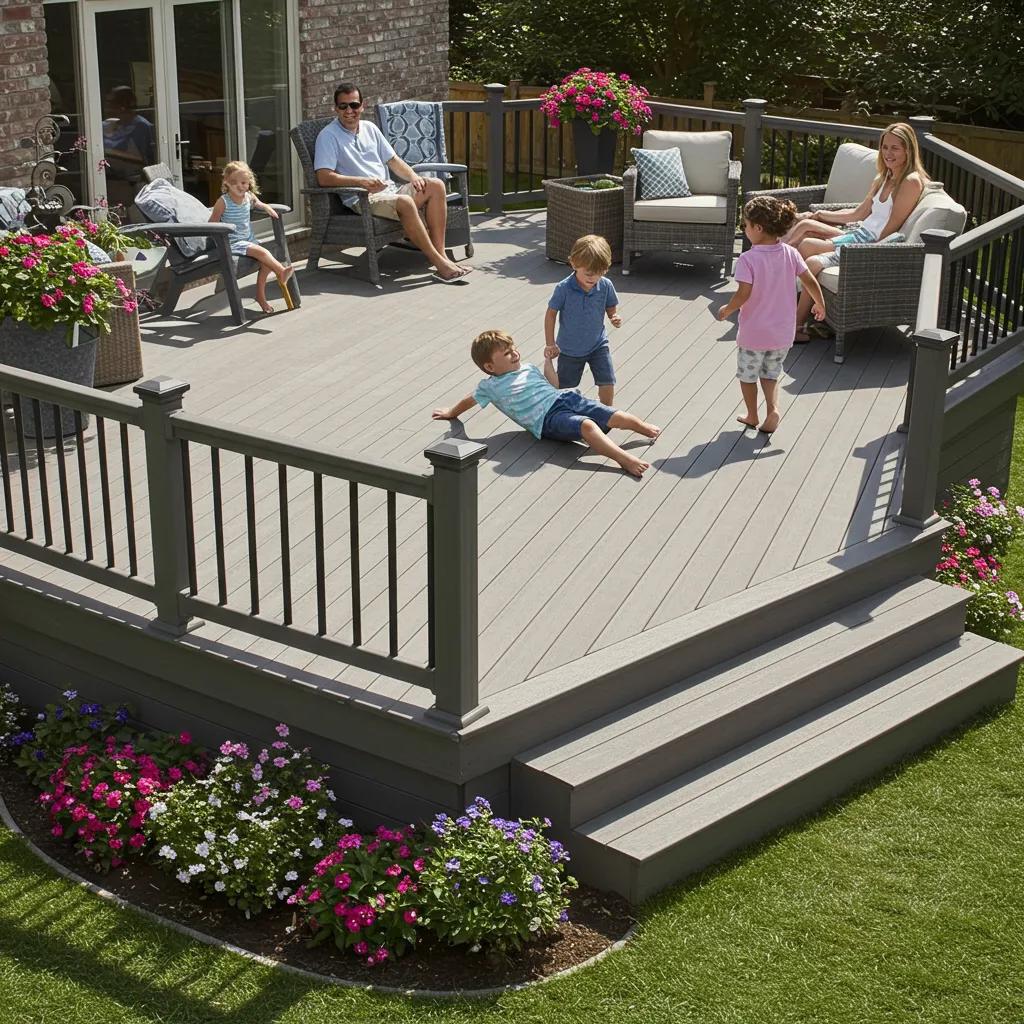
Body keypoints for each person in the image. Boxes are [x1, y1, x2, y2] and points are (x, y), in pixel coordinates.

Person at [432, 330, 661, 478]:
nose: (514, 354)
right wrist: (451, 412)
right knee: (587, 426)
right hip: (547, 420)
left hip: (565, 398)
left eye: (513, 349)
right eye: (507, 353)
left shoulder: (528, 368)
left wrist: (548, 362)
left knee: (610, 414)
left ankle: (642, 427)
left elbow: (554, 384)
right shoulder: (490, 386)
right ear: (490, 367)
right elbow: (469, 400)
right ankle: (624, 459)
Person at [782, 123, 928, 342]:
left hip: (867, 244)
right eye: (885, 147)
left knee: (810, 260)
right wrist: (820, 214)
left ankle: (796, 325)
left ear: (908, 150)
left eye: (895, 148)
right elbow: (859, 213)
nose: (888, 153)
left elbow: (893, 225)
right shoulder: (883, 178)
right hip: (858, 232)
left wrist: (864, 251)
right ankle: (785, 308)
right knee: (804, 239)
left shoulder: (910, 182)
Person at [313, 82, 470, 283]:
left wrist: (414, 177)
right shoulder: (328, 136)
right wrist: (362, 182)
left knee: (436, 185)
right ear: (335, 108)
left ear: (362, 105)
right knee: (405, 202)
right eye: (343, 106)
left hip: (390, 190)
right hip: (362, 198)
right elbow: (323, 177)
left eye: (353, 105)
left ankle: (442, 257)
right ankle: (439, 264)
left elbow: (394, 160)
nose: (349, 111)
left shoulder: (370, 128)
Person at [717, 196, 827, 435]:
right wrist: (820, 303)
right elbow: (809, 280)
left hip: (754, 333)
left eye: (745, 225)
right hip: (782, 333)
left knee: (748, 375)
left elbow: (744, 293)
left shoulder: (748, 259)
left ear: (758, 228)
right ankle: (773, 409)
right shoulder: (790, 253)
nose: (744, 230)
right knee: (770, 373)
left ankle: (752, 415)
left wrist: (728, 309)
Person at [544, 235, 622, 406]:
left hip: (598, 344)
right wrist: (550, 344)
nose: (593, 278)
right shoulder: (564, 288)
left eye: (599, 273)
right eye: (588, 273)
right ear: (573, 264)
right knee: (565, 387)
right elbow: (551, 314)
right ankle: (562, 414)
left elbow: (610, 305)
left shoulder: (606, 285)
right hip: (570, 349)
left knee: (607, 381)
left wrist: (613, 316)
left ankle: (607, 413)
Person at [210, 161, 294, 314]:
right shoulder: (223, 202)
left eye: (243, 182)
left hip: (248, 239)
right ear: (226, 183)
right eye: (234, 183)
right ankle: (281, 272)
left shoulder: (248, 196)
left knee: (266, 263)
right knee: (263, 254)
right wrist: (220, 241)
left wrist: (267, 208)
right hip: (232, 242)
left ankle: (260, 297)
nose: (240, 186)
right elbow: (212, 224)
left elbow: (259, 203)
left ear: (249, 182)